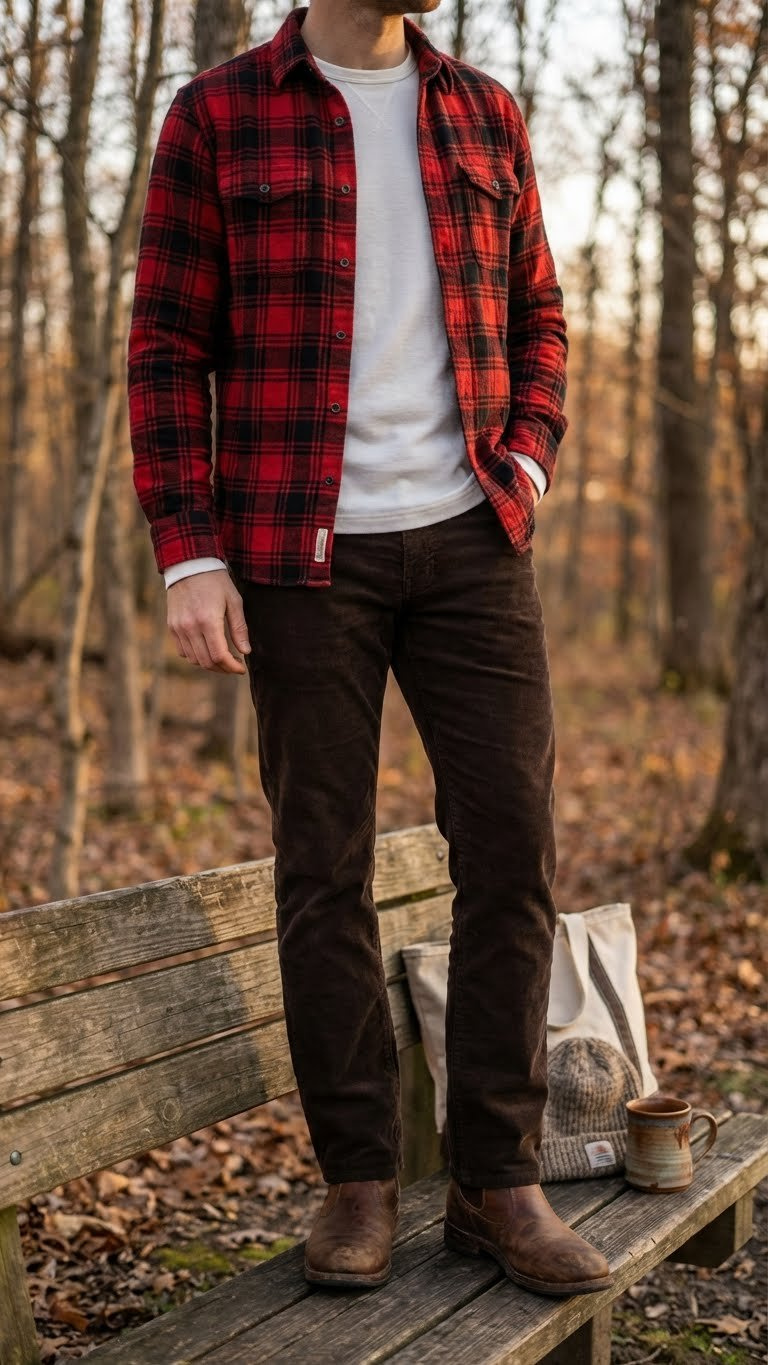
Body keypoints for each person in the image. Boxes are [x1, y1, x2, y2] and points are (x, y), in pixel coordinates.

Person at [128, 0, 613, 1298]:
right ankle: (357, 1179)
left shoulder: (484, 113)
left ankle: (497, 1180)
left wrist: (524, 463)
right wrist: (188, 548)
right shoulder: (217, 115)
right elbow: (166, 347)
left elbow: (542, 315)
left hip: (472, 541)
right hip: (298, 550)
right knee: (321, 865)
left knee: (511, 847)